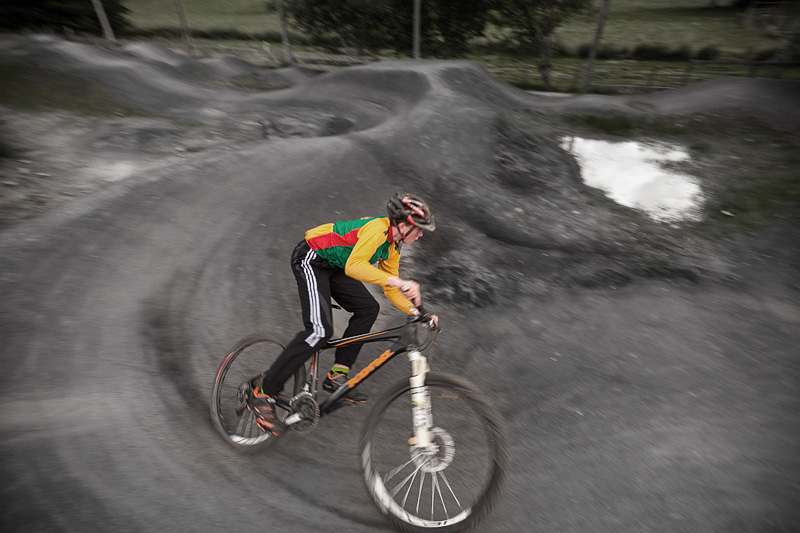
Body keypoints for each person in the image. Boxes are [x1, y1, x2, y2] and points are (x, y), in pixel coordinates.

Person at [248, 192, 438, 435]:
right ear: (403, 225)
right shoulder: (377, 230)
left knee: (368, 308)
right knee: (319, 331)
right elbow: (355, 266)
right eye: (419, 229)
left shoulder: (392, 246)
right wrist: (397, 281)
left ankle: (337, 374)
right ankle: (263, 393)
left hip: (334, 267)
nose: (420, 235)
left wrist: (418, 312)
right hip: (312, 257)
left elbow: (390, 289)